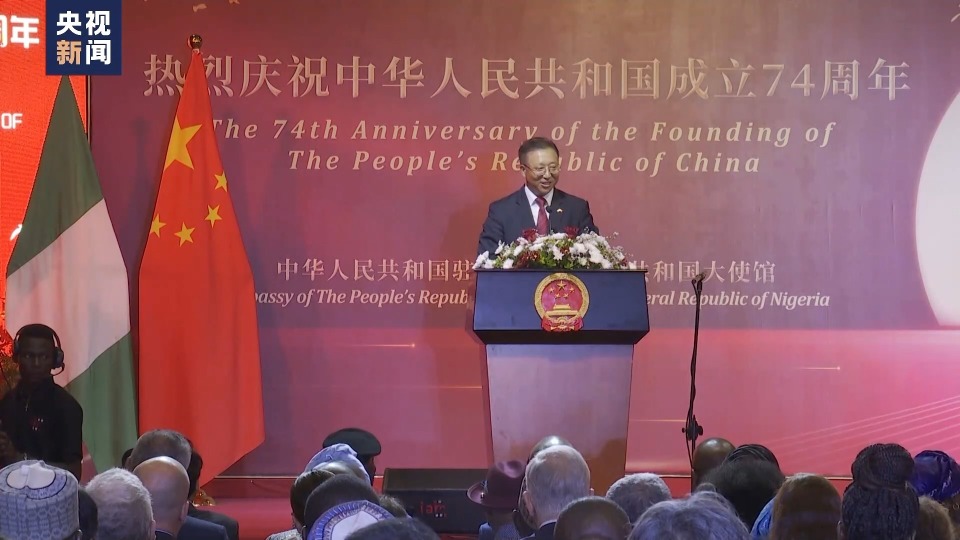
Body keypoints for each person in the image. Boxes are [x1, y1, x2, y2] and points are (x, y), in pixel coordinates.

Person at [477, 137, 598, 256]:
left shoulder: (577, 208)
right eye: (540, 169)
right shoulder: (501, 211)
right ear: (523, 170)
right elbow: (488, 259)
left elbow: (595, 254)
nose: (547, 175)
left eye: (553, 167)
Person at [0, 323, 83, 480]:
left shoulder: (66, 406)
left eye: (44, 357)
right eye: (29, 356)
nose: (36, 364)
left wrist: (21, 460)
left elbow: (73, 473)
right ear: (17, 357)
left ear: (55, 360)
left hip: (49, 495)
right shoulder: (7, 402)